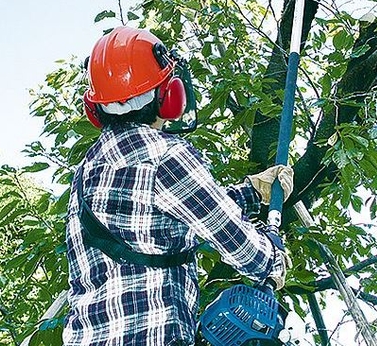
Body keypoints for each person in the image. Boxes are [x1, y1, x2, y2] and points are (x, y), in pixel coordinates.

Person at [63, 26, 294, 346]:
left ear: (97, 108)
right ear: (167, 95)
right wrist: (272, 253)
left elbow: (158, 224)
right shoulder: (166, 155)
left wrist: (253, 192)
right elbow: (248, 250)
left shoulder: (84, 175)